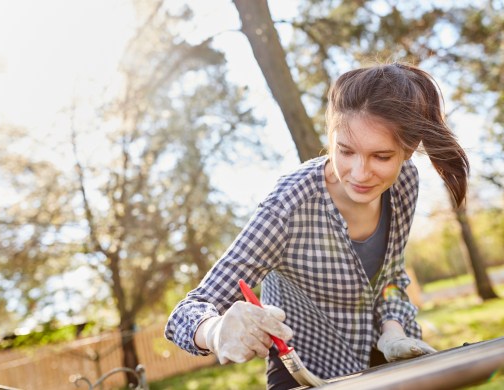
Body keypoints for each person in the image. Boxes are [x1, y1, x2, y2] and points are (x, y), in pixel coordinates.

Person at [165, 62, 469, 389]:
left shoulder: (404, 182)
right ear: (331, 135)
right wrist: (214, 330)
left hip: (386, 361)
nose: (359, 172)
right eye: (346, 151)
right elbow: (186, 313)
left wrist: (393, 331)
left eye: (381, 157)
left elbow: (391, 276)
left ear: (407, 152)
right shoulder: (288, 206)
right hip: (305, 373)